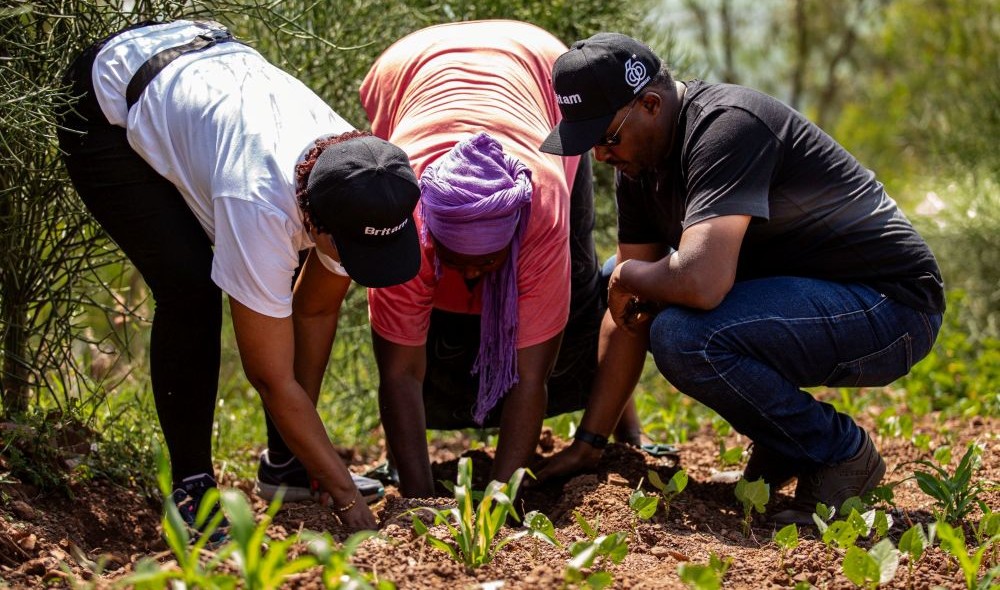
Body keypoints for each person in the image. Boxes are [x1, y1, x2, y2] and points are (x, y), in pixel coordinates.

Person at [536, 32, 945, 523]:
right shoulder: (638, 167)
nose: (601, 156)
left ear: (650, 104)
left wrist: (628, 276)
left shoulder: (727, 127)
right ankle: (785, 444)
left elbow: (701, 282)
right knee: (632, 283)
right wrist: (590, 443)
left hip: (890, 306)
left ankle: (838, 452)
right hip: (807, 300)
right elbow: (631, 308)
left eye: (606, 137)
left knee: (684, 335)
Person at [57, 19, 422, 534]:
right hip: (107, 99)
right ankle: (192, 489)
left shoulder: (364, 178)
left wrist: (311, 455)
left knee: (280, 277)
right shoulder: (259, 202)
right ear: (316, 223)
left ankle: (286, 464)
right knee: (189, 289)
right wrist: (343, 495)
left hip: (198, 69)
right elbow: (270, 377)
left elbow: (315, 310)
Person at [358, 21, 661, 498]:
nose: (472, 275)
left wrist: (501, 498)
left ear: (517, 232)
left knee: (582, 279)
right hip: (408, 68)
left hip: (540, 68)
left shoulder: (541, 208)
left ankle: (624, 435)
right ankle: (405, 466)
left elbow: (531, 377)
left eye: (487, 262)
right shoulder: (401, 220)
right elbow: (399, 373)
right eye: (458, 259)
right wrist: (417, 501)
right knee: (412, 333)